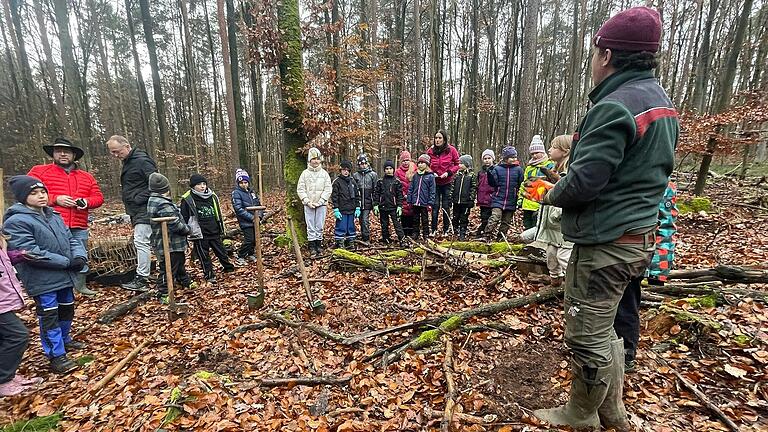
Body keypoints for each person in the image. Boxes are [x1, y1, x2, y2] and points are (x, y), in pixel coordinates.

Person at [532, 7, 678, 430]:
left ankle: (581, 414)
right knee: (608, 330)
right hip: (637, 236)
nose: (593, 61)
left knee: (586, 334)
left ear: (607, 54)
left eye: (595, 52)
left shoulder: (615, 106)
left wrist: (549, 194)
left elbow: (584, 183)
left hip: (606, 242)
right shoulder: (660, 102)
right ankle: (612, 412)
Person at [4, 176, 87, 375]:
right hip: (43, 279)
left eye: (43, 192)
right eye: (34, 193)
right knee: (49, 315)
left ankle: (65, 340)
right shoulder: (16, 221)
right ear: (23, 197)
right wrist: (65, 262)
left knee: (66, 310)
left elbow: (71, 238)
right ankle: (56, 354)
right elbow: (30, 252)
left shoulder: (53, 215)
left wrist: (79, 256)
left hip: (65, 276)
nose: (41, 196)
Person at [614, 180, 678, 372]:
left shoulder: (662, 185)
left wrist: (659, 270)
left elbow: (666, 226)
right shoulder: (628, 174)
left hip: (639, 254)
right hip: (614, 251)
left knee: (627, 304)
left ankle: (627, 353)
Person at [28, 137, 104, 296]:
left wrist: (85, 202)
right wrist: (55, 199)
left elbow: (98, 198)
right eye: (58, 151)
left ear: (74, 155)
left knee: (80, 254)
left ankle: (80, 286)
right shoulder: (39, 171)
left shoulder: (86, 177)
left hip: (78, 223)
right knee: (53, 255)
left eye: (66, 151)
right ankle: (57, 288)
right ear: (53, 154)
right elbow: (28, 193)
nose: (62, 154)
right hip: (49, 222)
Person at [107, 135, 157, 292]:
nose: (115, 155)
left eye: (117, 151)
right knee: (152, 243)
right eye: (112, 152)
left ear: (127, 146)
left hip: (145, 209)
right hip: (137, 210)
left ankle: (142, 278)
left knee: (141, 242)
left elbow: (156, 183)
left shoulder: (141, 160)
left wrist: (138, 198)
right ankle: (163, 273)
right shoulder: (129, 161)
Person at [0, 236, 44, 396]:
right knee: (17, 335)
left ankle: (7, 375)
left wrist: (17, 255)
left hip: (4, 299)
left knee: (4, 337)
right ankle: (3, 380)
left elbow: (4, 258)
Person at [532, 135, 573, 287]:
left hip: (563, 225)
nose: (549, 150)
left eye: (553, 147)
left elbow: (569, 196)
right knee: (551, 255)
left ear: (565, 151)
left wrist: (558, 213)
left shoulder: (570, 172)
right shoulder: (553, 170)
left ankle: (575, 286)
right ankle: (555, 283)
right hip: (552, 226)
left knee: (564, 256)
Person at [180, 174, 235, 284]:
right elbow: (184, 216)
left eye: (204, 184)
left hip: (213, 229)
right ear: (193, 186)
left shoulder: (212, 196)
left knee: (221, 251)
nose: (202, 186)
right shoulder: (187, 198)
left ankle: (228, 267)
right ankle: (209, 274)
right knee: (204, 256)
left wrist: (221, 227)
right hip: (199, 232)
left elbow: (218, 212)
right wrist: (186, 231)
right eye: (199, 184)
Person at [147, 173, 192, 301]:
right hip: (170, 242)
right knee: (168, 267)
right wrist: (187, 230)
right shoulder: (162, 204)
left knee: (179, 262)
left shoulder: (156, 200)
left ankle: (184, 280)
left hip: (172, 242)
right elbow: (174, 223)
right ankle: (163, 292)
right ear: (164, 188)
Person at [297, 147, 333, 258]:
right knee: (310, 225)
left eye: (317, 159)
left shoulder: (324, 174)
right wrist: (307, 201)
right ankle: (312, 246)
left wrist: (321, 200)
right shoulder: (304, 174)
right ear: (309, 160)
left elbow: (328, 189)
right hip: (309, 204)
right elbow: (301, 189)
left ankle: (319, 245)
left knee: (319, 225)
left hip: (321, 204)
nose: (316, 161)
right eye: (313, 159)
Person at [483, 146, 523, 241]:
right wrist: (490, 173)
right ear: (505, 158)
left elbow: (520, 183)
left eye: (515, 157)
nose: (514, 159)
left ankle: (500, 238)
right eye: (512, 157)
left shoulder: (518, 170)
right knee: (495, 217)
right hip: (498, 198)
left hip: (511, 199)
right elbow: (493, 183)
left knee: (506, 221)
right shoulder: (497, 169)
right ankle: (487, 235)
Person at [518, 135, 555, 230]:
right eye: (532, 154)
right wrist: (521, 197)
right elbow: (524, 183)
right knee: (527, 224)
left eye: (537, 153)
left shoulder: (549, 165)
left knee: (537, 226)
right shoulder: (529, 167)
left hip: (540, 202)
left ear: (542, 152)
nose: (534, 155)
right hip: (527, 202)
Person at [426, 130, 460, 235]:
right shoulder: (430, 151)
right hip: (435, 182)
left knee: (446, 206)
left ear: (444, 139)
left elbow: (457, 164)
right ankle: (434, 230)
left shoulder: (451, 150)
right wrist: (431, 173)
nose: (437, 140)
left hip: (447, 182)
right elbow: (425, 164)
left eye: (440, 138)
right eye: (436, 138)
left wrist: (449, 173)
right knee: (435, 206)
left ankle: (446, 229)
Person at [231, 169, 263, 265]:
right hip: (246, 221)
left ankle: (250, 253)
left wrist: (259, 217)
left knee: (255, 239)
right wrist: (251, 218)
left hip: (256, 219)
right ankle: (240, 255)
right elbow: (238, 209)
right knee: (249, 239)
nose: (244, 184)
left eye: (245, 182)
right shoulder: (236, 193)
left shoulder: (252, 192)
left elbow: (259, 205)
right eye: (241, 183)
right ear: (238, 183)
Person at [373, 160, 406, 246]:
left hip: (393, 207)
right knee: (384, 224)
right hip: (383, 206)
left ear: (393, 169)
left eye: (390, 168)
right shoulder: (380, 182)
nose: (388, 170)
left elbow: (399, 195)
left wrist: (399, 206)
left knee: (397, 224)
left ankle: (402, 239)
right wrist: (376, 204)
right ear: (384, 170)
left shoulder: (397, 182)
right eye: (386, 168)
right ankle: (385, 238)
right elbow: (376, 194)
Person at [331, 161, 361, 249]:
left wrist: (357, 207)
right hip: (341, 209)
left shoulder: (352, 181)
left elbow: (357, 195)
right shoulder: (337, 182)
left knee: (350, 226)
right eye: (344, 170)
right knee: (341, 226)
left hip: (351, 208)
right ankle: (339, 242)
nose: (346, 172)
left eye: (348, 170)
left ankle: (350, 241)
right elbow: (334, 196)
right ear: (340, 170)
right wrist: (336, 208)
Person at [407, 154, 436, 240]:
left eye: (422, 163)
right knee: (415, 219)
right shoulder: (415, 175)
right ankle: (415, 233)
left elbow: (432, 191)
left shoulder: (430, 176)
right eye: (419, 163)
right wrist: (409, 200)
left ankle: (426, 234)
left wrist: (430, 202)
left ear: (427, 164)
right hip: (415, 202)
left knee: (425, 219)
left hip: (424, 203)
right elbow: (411, 188)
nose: (420, 165)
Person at [352, 153, 378, 243]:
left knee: (365, 220)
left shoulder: (373, 175)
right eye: (360, 164)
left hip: (368, 201)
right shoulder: (355, 176)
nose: (363, 166)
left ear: (367, 164)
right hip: (358, 202)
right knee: (360, 220)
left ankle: (366, 238)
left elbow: (375, 190)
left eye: (364, 163)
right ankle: (361, 235)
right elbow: (354, 190)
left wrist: (375, 203)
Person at [451, 155, 477, 240]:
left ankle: (463, 232)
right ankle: (455, 230)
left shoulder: (471, 175)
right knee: (455, 216)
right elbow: (452, 187)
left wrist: (471, 199)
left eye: (461, 163)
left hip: (466, 202)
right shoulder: (456, 175)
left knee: (464, 217)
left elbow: (473, 188)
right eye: (459, 163)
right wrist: (450, 198)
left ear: (467, 164)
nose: (459, 165)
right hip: (456, 201)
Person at [395, 151, 417, 238]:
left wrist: (411, 195)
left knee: (412, 215)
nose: (405, 162)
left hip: (412, 197)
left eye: (407, 160)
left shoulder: (415, 169)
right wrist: (402, 194)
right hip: (402, 197)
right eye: (403, 160)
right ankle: (404, 233)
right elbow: (396, 185)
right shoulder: (397, 172)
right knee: (403, 215)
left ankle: (412, 233)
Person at [475, 149, 496, 237]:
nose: (487, 160)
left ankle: (485, 232)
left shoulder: (495, 170)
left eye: (489, 158)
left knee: (490, 218)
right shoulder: (481, 172)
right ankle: (483, 231)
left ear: (493, 159)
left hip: (491, 198)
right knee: (483, 217)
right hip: (482, 199)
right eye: (485, 158)